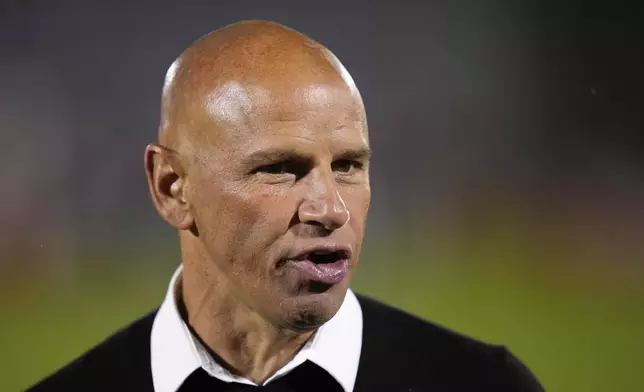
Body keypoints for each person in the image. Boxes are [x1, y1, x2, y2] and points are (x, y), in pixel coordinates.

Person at [29, 20, 544, 392]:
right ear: (171, 187)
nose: (331, 208)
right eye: (280, 168)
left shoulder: (485, 384)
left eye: (347, 165)